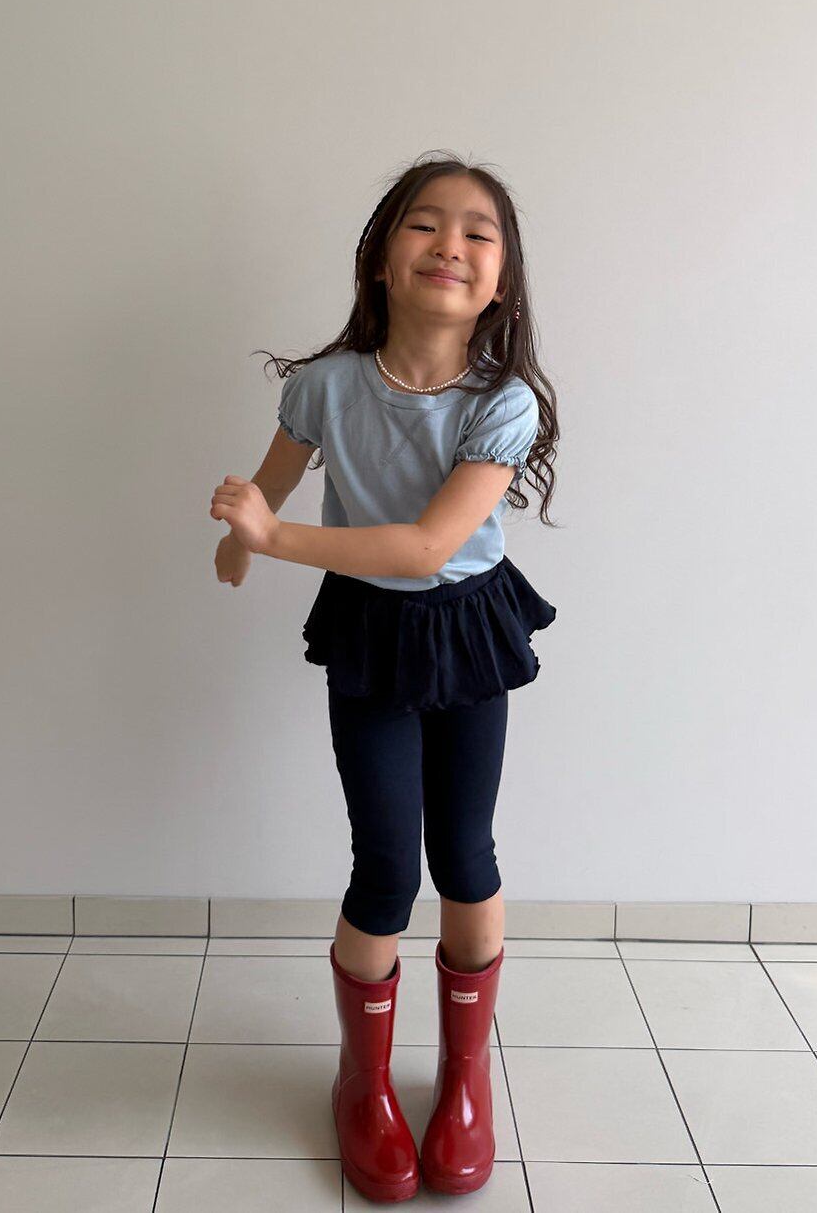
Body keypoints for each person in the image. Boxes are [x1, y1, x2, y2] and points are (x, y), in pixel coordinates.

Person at [210, 153, 559, 1202]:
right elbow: (269, 488)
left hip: (468, 628)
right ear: (378, 258)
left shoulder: (503, 404)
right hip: (369, 635)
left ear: (499, 280)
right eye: (424, 223)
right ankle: (362, 1084)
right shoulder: (323, 386)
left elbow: (425, 546)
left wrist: (270, 541)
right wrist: (240, 534)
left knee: (465, 855)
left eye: (477, 233)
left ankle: (464, 1079)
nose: (450, 244)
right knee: (384, 869)